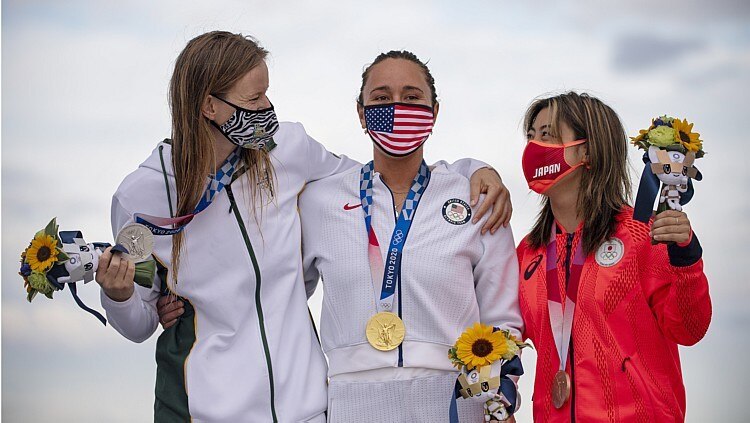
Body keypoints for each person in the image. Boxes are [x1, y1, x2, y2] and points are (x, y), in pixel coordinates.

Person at [95, 31, 511, 422]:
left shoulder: (287, 150)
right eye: (255, 98)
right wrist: (118, 295)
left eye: (267, 93)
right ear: (210, 106)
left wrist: (472, 170)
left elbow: (379, 178)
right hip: (203, 409)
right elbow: (141, 321)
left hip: (307, 407)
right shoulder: (144, 197)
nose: (267, 109)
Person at [297, 50, 525, 423]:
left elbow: (503, 318)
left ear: (434, 112)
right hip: (352, 401)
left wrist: (497, 405)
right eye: (382, 98)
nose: (398, 108)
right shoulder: (321, 201)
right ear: (360, 112)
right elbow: (284, 301)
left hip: (456, 399)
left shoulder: (475, 197)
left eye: (412, 97)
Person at [516, 92, 711, 422]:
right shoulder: (527, 253)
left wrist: (686, 257)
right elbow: (500, 342)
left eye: (547, 134)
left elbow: (689, 329)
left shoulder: (641, 234)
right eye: (531, 136)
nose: (533, 146)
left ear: (587, 150)